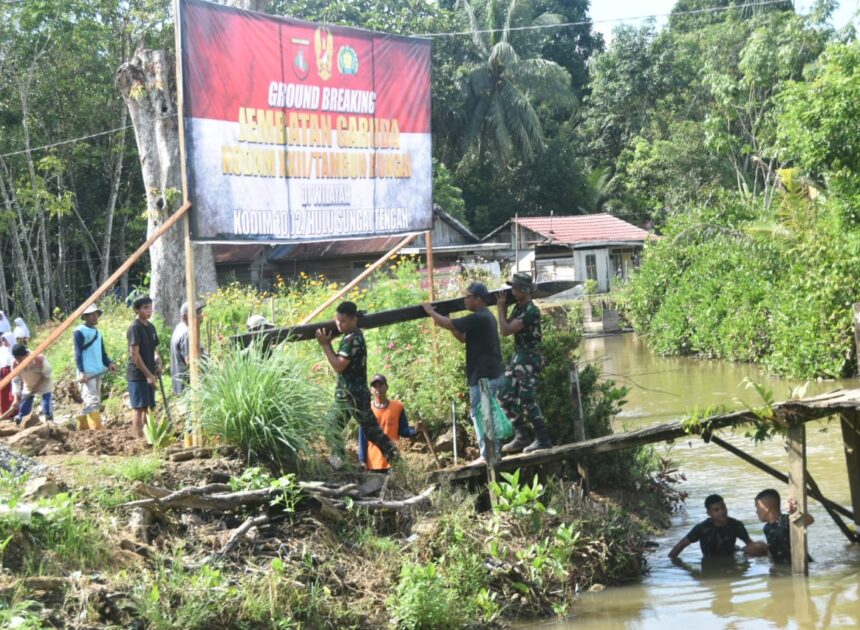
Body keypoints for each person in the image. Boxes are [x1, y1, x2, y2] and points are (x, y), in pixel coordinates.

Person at [423, 281, 505, 464]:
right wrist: (446, 320)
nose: (464, 300)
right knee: (487, 413)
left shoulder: (479, 317)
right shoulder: (483, 318)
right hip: (489, 375)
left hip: (485, 377)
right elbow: (462, 337)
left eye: (467, 297)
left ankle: (488, 454)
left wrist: (430, 312)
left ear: (478, 299)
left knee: (480, 413)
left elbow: (447, 323)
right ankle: (493, 452)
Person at [315, 301, 398, 468]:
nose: (339, 324)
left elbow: (339, 366)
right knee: (342, 427)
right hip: (351, 395)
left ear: (353, 320)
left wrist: (325, 344)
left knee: (341, 427)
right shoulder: (352, 335)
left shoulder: (352, 339)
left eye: (343, 321)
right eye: (337, 320)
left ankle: (340, 462)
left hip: (352, 396)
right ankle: (394, 459)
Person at [497, 272, 551, 453]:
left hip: (529, 359)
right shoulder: (519, 307)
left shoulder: (530, 310)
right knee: (504, 394)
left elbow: (505, 331)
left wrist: (500, 308)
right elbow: (506, 326)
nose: (511, 291)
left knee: (528, 399)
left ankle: (543, 439)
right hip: (518, 358)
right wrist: (504, 308)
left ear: (523, 290)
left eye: (514, 288)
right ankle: (521, 436)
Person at [359, 373, 422, 473]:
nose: (378, 388)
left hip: (393, 460)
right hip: (373, 462)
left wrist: (415, 430)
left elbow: (402, 430)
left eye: (380, 385)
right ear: (371, 390)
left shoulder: (397, 406)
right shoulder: (367, 410)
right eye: (375, 386)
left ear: (386, 387)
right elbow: (362, 437)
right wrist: (362, 460)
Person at [668, 494, 753, 559]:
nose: (722, 512)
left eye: (723, 507)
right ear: (709, 513)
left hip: (731, 557)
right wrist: (670, 562)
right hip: (710, 559)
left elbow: (750, 545)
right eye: (716, 510)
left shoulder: (736, 525)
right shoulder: (702, 528)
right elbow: (681, 545)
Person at [73, 303, 116, 430]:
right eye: (91, 315)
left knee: (94, 400)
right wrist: (81, 371)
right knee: (92, 401)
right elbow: (78, 353)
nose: (94, 317)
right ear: (85, 317)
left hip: (98, 371)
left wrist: (109, 363)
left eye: (96, 314)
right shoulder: (79, 331)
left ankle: (84, 428)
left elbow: (102, 353)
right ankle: (96, 430)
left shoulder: (98, 332)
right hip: (87, 373)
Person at [746, 488, 815, 563]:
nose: (756, 511)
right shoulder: (767, 528)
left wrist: (796, 511)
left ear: (767, 508)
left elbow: (810, 520)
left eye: (757, 508)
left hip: (801, 564)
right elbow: (772, 549)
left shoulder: (787, 520)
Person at [127, 295, 162, 438]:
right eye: (145, 308)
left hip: (150, 373)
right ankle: (137, 439)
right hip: (138, 375)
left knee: (150, 407)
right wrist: (148, 375)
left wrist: (158, 361)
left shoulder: (151, 327)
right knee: (139, 407)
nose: (149, 310)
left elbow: (154, 349)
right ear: (137, 310)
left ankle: (149, 437)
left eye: (150, 307)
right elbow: (135, 355)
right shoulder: (134, 327)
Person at [11, 343, 53, 425]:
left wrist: (37, 386)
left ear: (26, 355)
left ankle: (50, 422)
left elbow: (47, 374)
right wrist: (16, 399)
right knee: (24, 406)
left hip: (44, 383)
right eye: (16, 358)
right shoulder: (15, 364)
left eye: (19, 359)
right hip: (29, 385)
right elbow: (16, 381)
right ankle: (21, 421)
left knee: (46, 405)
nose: (18, 361)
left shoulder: (38, 358)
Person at [170, 300, 206, 394]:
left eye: (201, 312)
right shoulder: (187, 333)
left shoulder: (179, 328)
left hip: (183, 384)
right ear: (185, 316)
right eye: (197, 313)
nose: (201, 315)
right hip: (189, 386)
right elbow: (190, 361)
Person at [0, 332, 16, 418]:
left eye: (5, 341)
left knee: (13, 392)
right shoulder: (2, 350)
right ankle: (5, 412)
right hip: (3, 373)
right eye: (3, 341)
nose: (4, 343)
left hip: (12, 372)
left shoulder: (14, 349)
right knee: (3, 393)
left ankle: (14, 412)